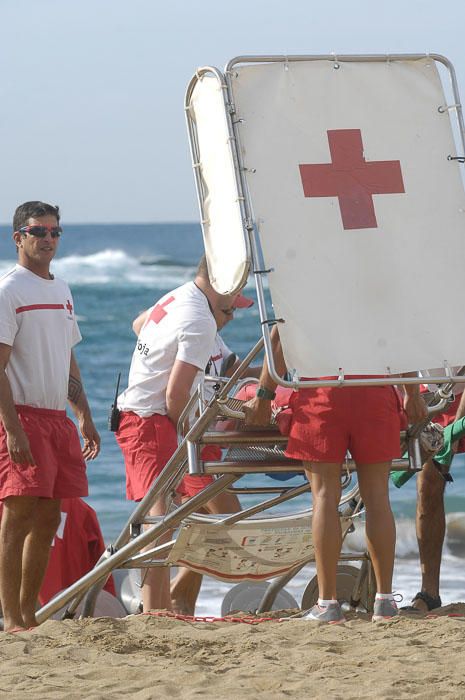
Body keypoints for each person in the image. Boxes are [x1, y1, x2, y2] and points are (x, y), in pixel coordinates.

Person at [244, 326, 427, 623]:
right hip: (374, 392)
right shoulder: (375, 286)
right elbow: (398, 333)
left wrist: (263, 398)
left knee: (325, 496)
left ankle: (327, 603)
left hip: (321, 394)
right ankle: (384, 602)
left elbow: (277, 337)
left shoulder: (302, 284)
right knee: (378, 498)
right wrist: (412, 392)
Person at [116, 256, 253, 614]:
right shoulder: (199, 319)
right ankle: (155, 612)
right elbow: (174, 397)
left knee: (215, 516)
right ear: (224, 284)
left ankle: (172, 600)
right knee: (158, 524)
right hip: (152, 421)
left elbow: (139, 324)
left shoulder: (181, 297)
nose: (234, 311)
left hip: (151, 418)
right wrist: (195, 440)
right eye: (236, 296)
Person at [0, 201, 100, 632]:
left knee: (47, 520)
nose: (48, 240)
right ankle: (10, 618)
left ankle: (29, 614)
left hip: (55, 418)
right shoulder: (9, 290)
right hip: (21, 417)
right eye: (39, 231)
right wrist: (12, 429)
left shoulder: (61, 290)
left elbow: (67, 358)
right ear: (18, 236)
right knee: (16, 518)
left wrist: (84, 415)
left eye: (56, 232)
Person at [406, 372, 465, 612]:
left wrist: (455, 430)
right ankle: (429, 594)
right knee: (428, 485)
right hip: (431, 394)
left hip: (458, 388)